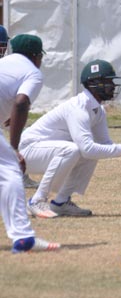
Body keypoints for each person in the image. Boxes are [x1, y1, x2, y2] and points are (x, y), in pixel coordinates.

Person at [21, 60, 121, 218]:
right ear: (94, 83)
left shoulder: (98, 110)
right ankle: (36, 200)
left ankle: (61, 202)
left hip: (43, 152)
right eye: (108, 81)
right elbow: (86, 148)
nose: (113, 86)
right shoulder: (78, 108)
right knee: (76, 149)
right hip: (26, 153)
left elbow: (103, 145)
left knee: (92, 152)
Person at [0, 34, 60, 253]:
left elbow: (12, 101)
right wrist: (15, 148)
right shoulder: (33, 73)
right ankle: (24, 238)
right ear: (36, 56)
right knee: (10, 171)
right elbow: (21, 102)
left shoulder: (4, 64)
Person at [0, 25, 40, 189]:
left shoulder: (6, 63)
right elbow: (21, 102)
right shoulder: (28, 71)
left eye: (3, 45)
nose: (2, 49)